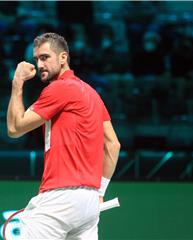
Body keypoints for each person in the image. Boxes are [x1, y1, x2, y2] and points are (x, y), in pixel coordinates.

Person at [7, 32, 120, 239]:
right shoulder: (92, 94)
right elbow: (113, 145)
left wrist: (17, 82)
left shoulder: (59, 89)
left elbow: (15, 128)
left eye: (45, 57)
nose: (40, 64)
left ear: (63, 58)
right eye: (36, 59)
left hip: (60, 198)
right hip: (88, 204)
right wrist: (100, 192)